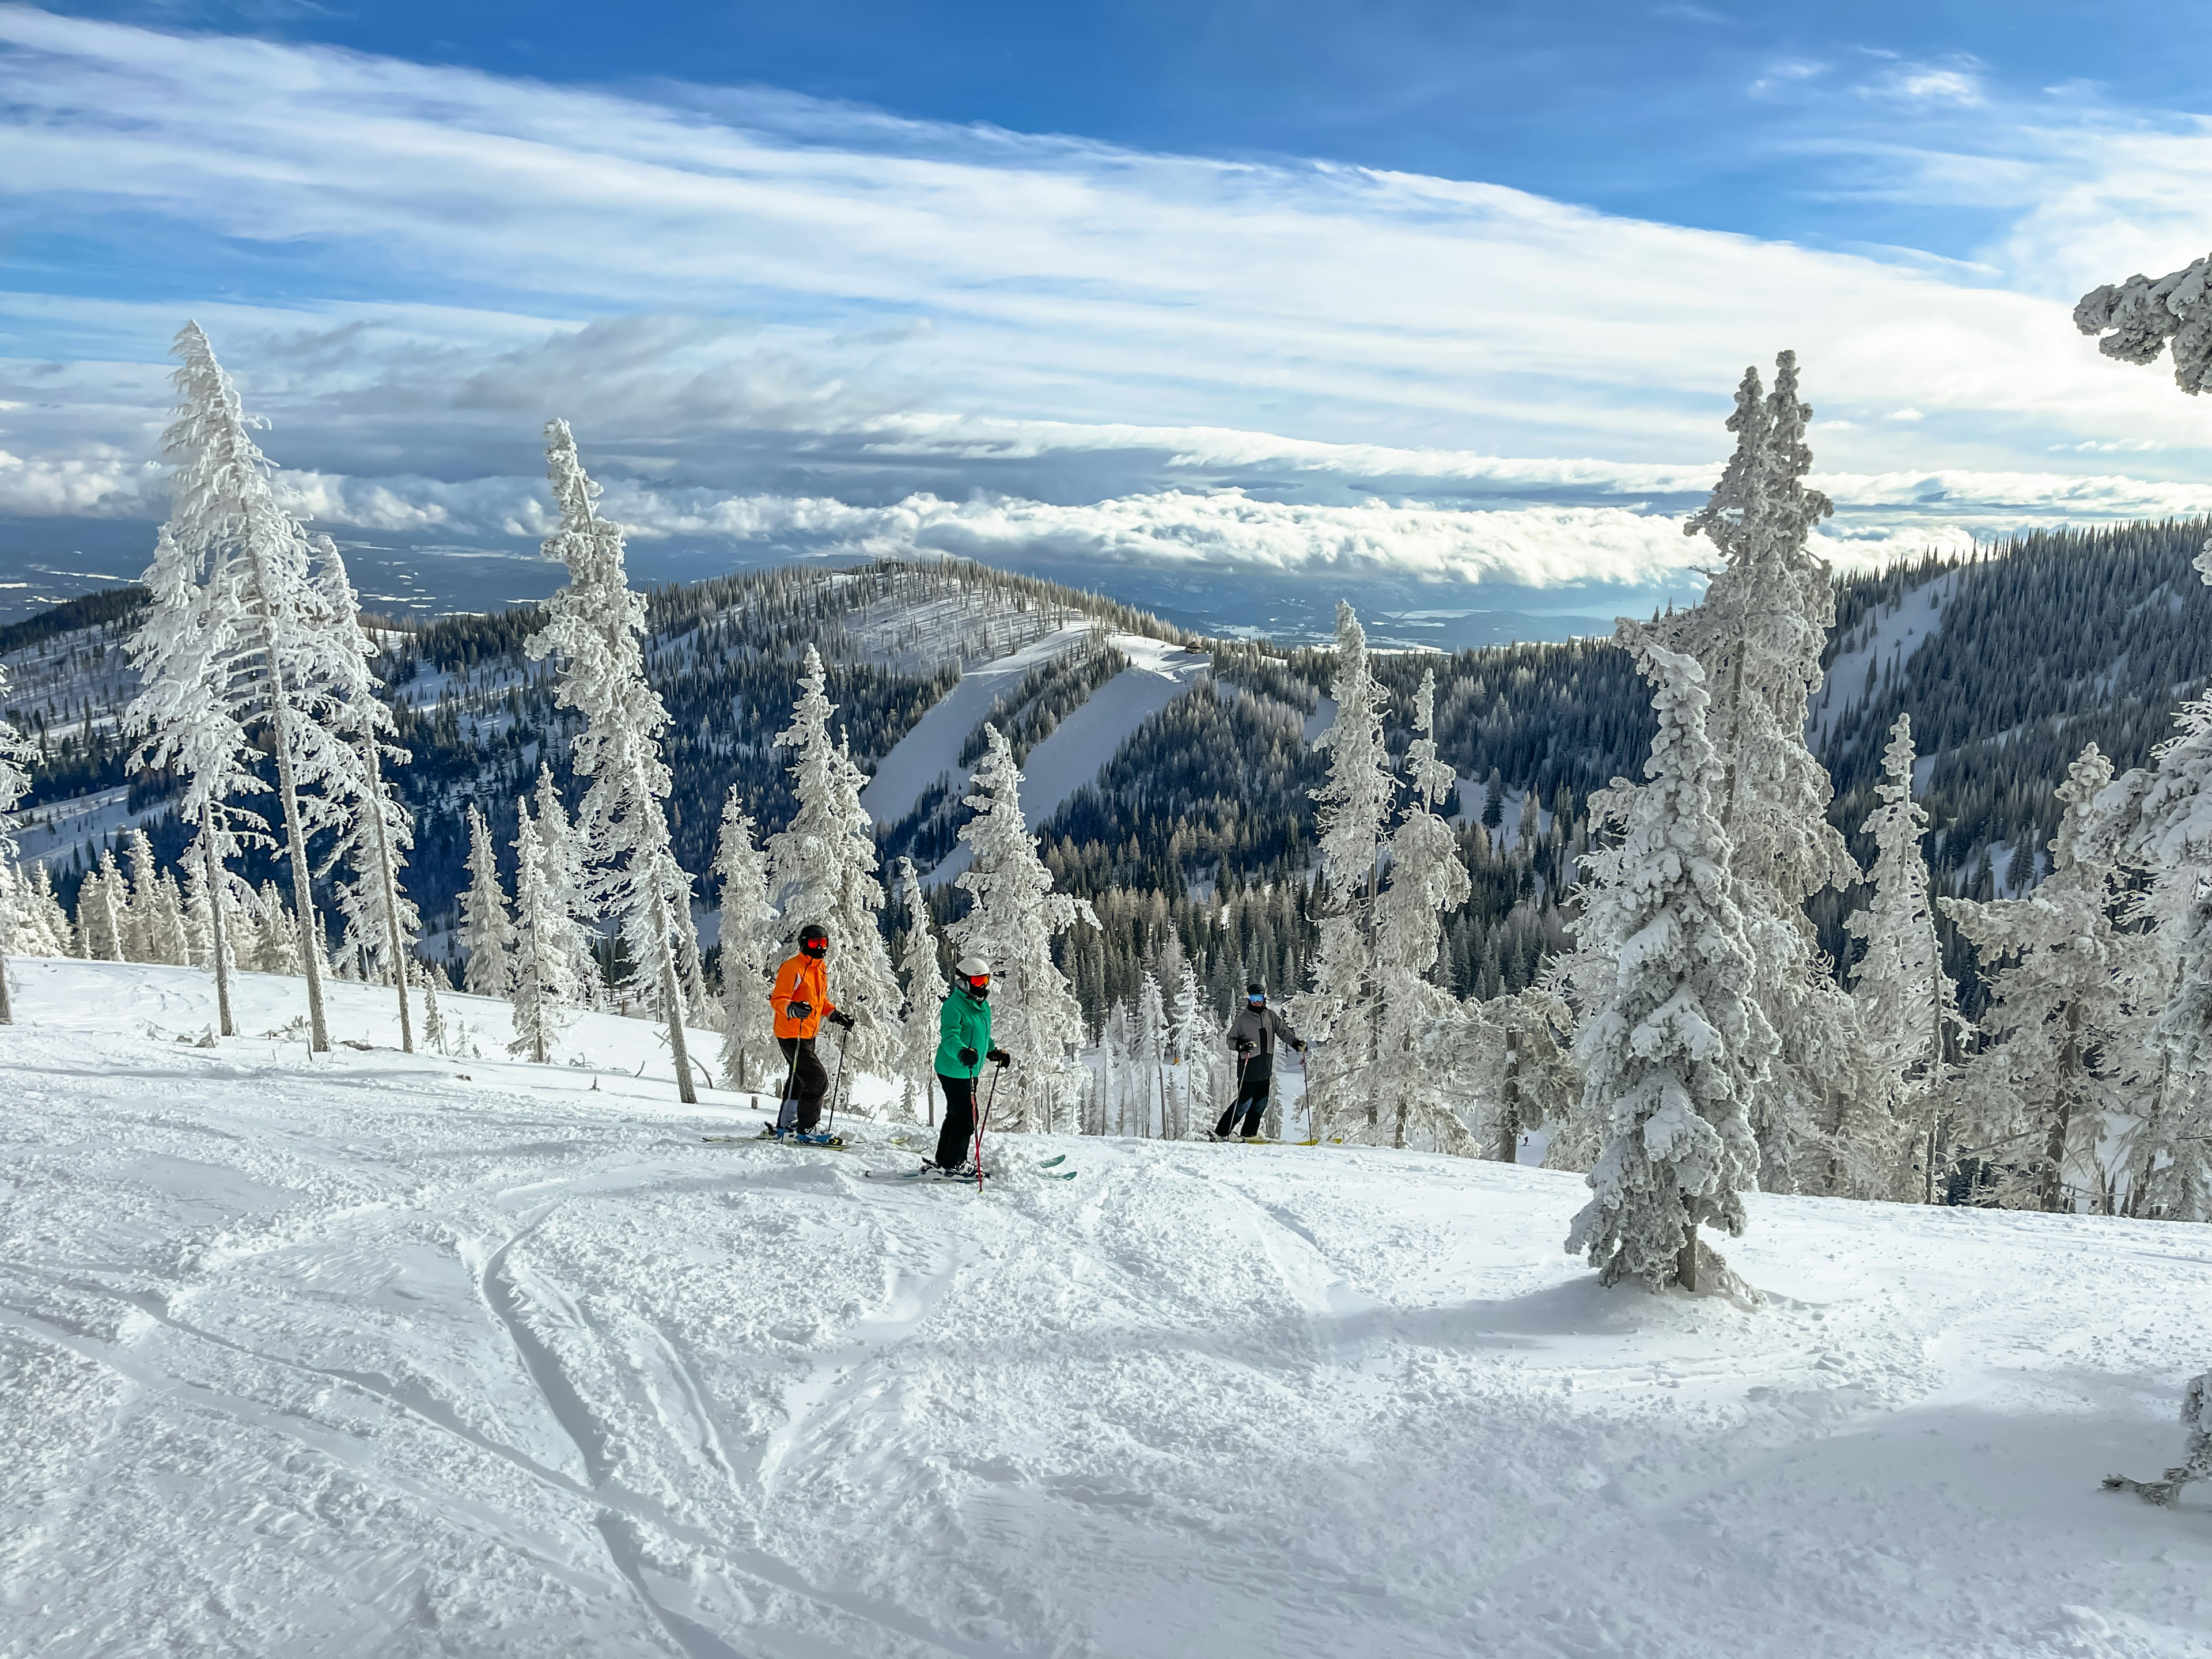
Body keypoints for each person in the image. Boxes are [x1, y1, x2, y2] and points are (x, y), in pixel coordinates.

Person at [768, 923, 854, 1134]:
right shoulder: (792, 967)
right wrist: (793, 1009)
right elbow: (778, 999)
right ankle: (807, 1127)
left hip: (808, 1033)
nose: (820, 947)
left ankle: (786, 1125)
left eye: (824, 943)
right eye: (815, 942)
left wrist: (835, 1014)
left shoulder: (820, 968)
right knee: (817, 1080)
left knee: (799, 1079)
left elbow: (818, 1000)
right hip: (791, 1033)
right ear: (804, 943)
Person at [933, 955, 1012, 1173]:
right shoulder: (954, 1006)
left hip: (970, 1068)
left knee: (957, 1114)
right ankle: (954, 1164)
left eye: (986, 980)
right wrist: (961, 1052)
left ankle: (945, 1160)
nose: (983, 986)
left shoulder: (982, 1006)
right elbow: (950, 1037)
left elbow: (983, 1035)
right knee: (967, 1117)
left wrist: (993, 1051)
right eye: (978, 982)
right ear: (964, 982)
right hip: (954, 1069)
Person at [1215, 983, 1305, 1141]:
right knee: (1244, 1103)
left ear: (1264, 998)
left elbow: (1283, 1032)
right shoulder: (1242, 1020)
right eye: (1254, 998)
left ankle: (1249, 1134)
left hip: (1265, 1068)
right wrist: (1241, 1046)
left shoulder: (1271, 1016)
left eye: (1260, 998)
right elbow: (1230, 1040)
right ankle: (1222, 1132)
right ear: (1249, 999)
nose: (1257, 1001)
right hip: (1248, 1068)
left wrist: (1296, 1044)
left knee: (1260, 1104)